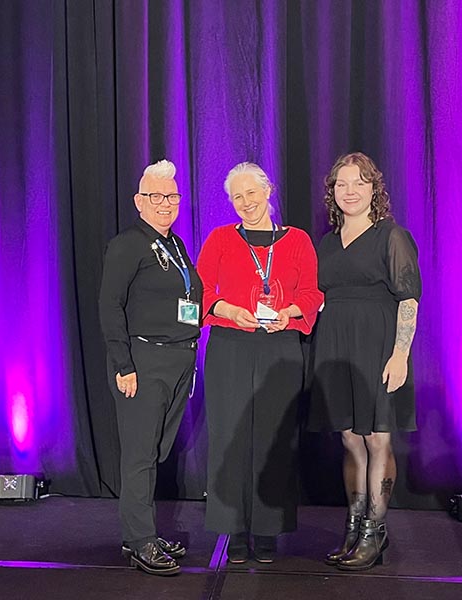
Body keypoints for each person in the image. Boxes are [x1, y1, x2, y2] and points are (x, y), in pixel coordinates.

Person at [197, 162, 323, 564]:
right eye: (237, 196)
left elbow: (312, 292)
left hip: (279, 345)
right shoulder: (219, 239)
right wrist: (226, 309)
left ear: (268, 192)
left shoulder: (298, 240)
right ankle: (232, 529)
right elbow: (195, 293)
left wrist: (290, 312)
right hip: (230, 345)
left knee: (273, 439)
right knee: (230, 438)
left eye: (252, 193)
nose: (246, 202)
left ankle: (267, 530)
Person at [309, 152, 421, 571]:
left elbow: (408, 298)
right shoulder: (325, 243)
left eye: (358, 182)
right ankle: (354, 528)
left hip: (378, 348)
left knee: (377, 438)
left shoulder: (391, 236)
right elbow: (317, 297)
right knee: (350, 440)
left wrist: (400, 354)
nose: (349, 191)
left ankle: (375, 532)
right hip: (336, 349)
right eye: (341, 184)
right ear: (332, 192)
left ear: (374, 189)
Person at [98, 159, 202, 576]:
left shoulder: (174, 244)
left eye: (172, 197)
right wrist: (123, 364)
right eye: (156, 196)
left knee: (158, 450)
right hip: (143, 361)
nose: (165, 204)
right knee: (141, 454)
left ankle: (145, 532)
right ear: (139, 201)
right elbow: (110, 306)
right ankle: (139, 540)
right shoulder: (127, 244)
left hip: (179, 359)